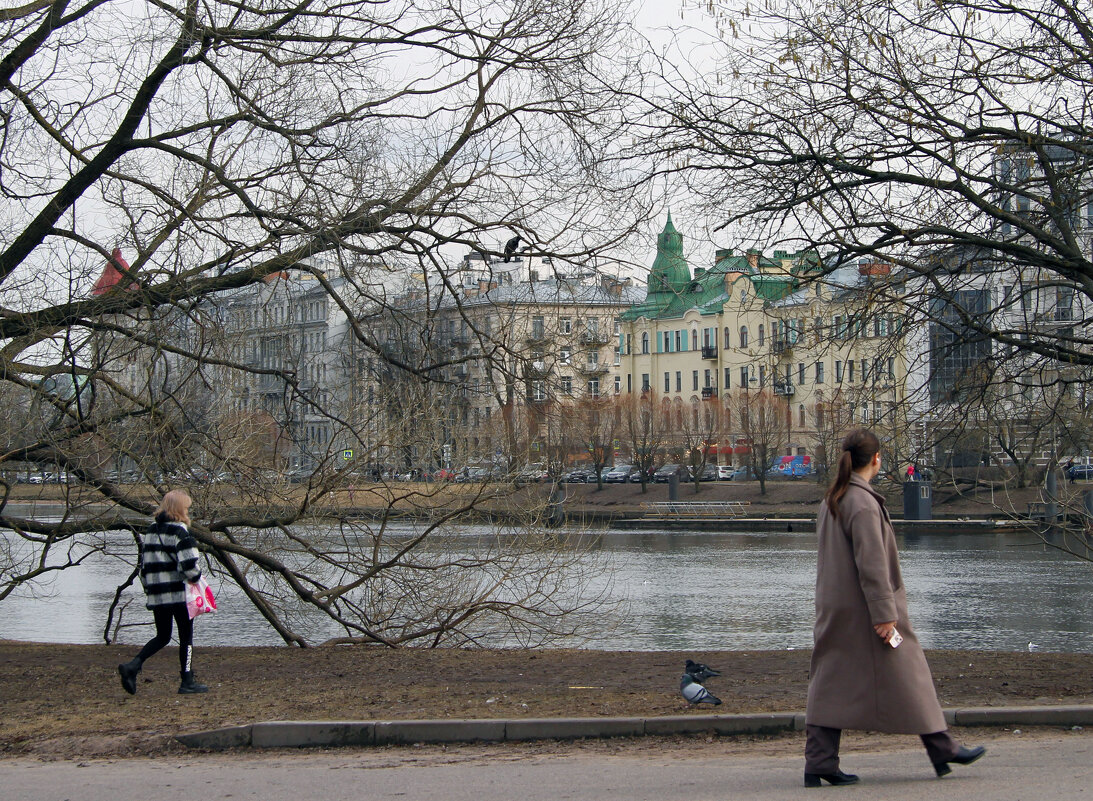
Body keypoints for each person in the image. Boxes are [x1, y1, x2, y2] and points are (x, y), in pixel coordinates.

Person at [804, 429, 983, 787]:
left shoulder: (833, 499)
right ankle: (942, 748)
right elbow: (872, 564)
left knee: (830, 682)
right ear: (876, 459)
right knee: (909, 670)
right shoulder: (863, 502)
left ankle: (820, 762)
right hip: (867, 611)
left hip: (835, 608)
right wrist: (885, 615)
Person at [117, 490, 209, 695]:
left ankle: (133, 665)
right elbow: (189, 567)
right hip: (179, 594)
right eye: (186, 507)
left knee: (163, 636)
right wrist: (197, 579)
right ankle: (187, 681)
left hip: (158, 595)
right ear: (179, 509)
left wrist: (150, 590)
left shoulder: (150, 531)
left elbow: (144, 566)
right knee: (186, 638)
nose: (188, 510)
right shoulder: (180, 532)